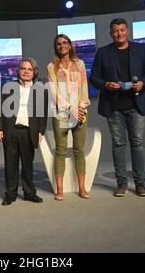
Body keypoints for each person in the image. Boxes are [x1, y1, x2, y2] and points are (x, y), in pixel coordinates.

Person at [89, 18, 145, 197]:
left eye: (122, 30)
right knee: (118, 145)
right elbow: (94, 78)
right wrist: (106, 85)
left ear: (127, 31)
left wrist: (143, 83)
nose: (119, 34)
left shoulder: (140, 50)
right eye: (115, 31)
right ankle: (122, 184)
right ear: (111, 33)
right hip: (114, 106)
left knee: (138, 144)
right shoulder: (103, 52)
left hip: (136, 104)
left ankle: (140, 183)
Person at [0, 58, 48, 206]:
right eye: (23, 68)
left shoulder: (40, 89)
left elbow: (43, 114)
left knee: (27, 164)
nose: (26, 71)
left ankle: (29, 193)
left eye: (29, 69)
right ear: (19, 71)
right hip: (11, 130)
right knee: (10, 164)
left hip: (29, 132)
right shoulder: (8, 87)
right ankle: (10, 194)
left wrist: (41, 131)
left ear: (34, 72)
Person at [47, 34, 91, 201]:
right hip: (61, 114)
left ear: (70, 45)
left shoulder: (79, 64)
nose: (62, 46)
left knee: (79, 150)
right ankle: (60, 190)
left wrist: (80, 108)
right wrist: (69, 107)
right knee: (61, 150)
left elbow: (84, 87)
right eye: (58, 44)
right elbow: (54, 92)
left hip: (80, 112)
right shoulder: (51, 66)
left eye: (65, 43)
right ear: (55, 47)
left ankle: (82, 188)